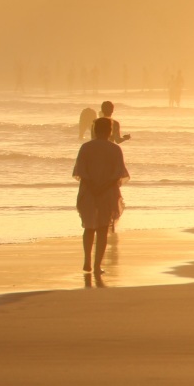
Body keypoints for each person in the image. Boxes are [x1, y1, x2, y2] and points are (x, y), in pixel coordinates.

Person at [73, 117, 130, 275]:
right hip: (108, 192)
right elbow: (118, 173)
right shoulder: (115, 149)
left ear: (94, 130)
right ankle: (97, 266)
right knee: (103, 229)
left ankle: (87, 261)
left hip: (88, 191)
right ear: (110, 131)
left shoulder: (86, 147)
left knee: (89, 227)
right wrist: (102, 187)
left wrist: (93, 187)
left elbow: (80, 172)